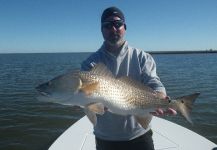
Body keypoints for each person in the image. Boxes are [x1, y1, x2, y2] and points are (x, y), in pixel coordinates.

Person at [81, 6, 176, 150]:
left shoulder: (142, 57)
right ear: (101, 30)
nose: (113, 29)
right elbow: (85, 97)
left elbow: (153, 82)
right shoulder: (91, 63)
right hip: (106, 138)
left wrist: (160, 98)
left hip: (140, 135)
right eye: (107, 25)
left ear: (124, 27)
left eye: (118, 24)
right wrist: (83, 102)